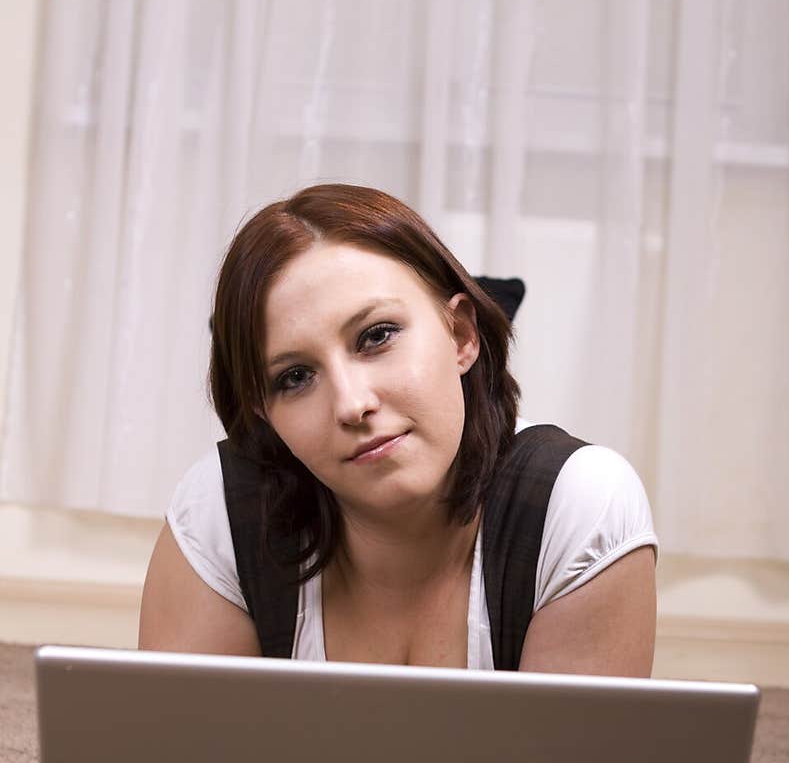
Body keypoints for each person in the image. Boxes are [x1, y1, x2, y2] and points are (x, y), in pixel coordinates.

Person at [139, 184, 658, 674]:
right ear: (263, 413)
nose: (352, 404)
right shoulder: (219, 515)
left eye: (376, 336)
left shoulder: (578, 503)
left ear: (460, 334)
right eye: (295, 377)